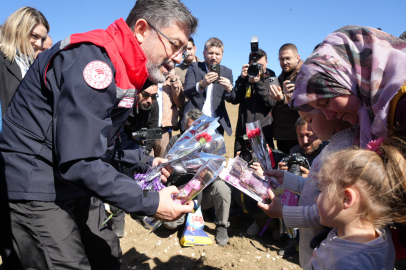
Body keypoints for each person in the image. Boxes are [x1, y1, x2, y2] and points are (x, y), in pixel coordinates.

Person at [0, 1, 198, 269]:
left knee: (106, 257)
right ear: (141, 30)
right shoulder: (95, 63)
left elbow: (102, 142)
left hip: (72, 183)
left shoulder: (124, 68)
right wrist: (151, 203)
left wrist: (146, 161)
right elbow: (80, 160)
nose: (178, 57)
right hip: (37, 185)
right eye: (174, 45)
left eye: (183, 49)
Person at [258, 111, 353, 270]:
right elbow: (313, 185)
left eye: (310, 119)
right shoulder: (332, 145)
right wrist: (286, 178)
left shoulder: (343, 153)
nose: (311, 128)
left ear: (330, 112)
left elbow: (329, 211)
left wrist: (284, 212)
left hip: (322, 250)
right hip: (310, 246)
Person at [308, 136, 406, 269]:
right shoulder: (378, 236)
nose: (316, 198)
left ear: (346, 198)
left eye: (321, 192)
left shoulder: (349, 263)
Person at [164, 108, 232, 247]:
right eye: (190, 128)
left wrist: (208, 172)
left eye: (198, 128)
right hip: (181, 193)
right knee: (169, 225)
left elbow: (218, 170)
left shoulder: (211, 144)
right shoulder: (175, 141)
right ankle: (187, 218)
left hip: (204, 192)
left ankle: (222, 226)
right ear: (184, 126)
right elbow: (167, 171)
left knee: (222, 188)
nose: (194, 132)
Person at [0, 7, 49, 116]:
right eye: (34, 36)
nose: (39, 44)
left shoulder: (31, 65)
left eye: (43, 39)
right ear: (17, 30)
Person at [183, 37, 235, 136]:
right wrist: (201, 84)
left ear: (222, 55)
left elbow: (232, 98)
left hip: (215, 126)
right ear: (204, 54)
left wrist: (229, 89)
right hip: (194, 123)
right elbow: (187, 91)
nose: (214, 57)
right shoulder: (194, 67)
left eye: (217, 54)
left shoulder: (227, 72)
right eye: (210, 53)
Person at [231, 48, 277, 154]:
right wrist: (242, 79)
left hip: (264, 134)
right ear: (249, 64)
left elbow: (271, 102)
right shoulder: (245, 78)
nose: (258, 68)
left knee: (267, 168)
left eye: (261, 65)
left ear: (267, 62)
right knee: (239, 168)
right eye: (255, 65)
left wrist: (258, 83)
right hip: (243, 134)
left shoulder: (272, 78)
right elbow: (234, 99)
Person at [269, 43, 302, 155]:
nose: (284, 62)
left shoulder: (304, 75)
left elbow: (302, 102)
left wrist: (282, 99)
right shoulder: (281, 77)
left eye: (288, 58)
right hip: (281, 135)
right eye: (281, 59)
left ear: (298, 57)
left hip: (299, 135)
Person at [153, 71, 184, 157]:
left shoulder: (172, 80)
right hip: (147, 125)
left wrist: (174, 80)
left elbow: (179, 101)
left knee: (163, 158)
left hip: (164, 128)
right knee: (147, 159)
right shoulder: (149, 77)